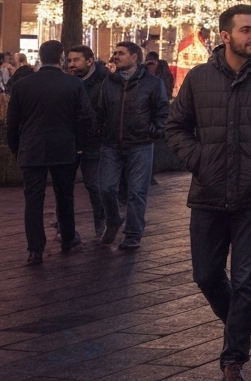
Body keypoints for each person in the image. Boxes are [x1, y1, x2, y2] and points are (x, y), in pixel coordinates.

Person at [165, 4, 251, 381]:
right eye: (246, 30)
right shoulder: (198, 78)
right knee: (206, 275)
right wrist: (197, 159)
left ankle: (233, 359)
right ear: (225, 36)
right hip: (208, 192)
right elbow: (175, 126)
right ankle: (239, 325)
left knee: (246, 279)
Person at [6, 40, 91, 264]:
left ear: (40, 57)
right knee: (64, 195)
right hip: (64, 146)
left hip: (32, 147)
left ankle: (35, 248)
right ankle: (68, 236)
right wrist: (79, 145)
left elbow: (12, 123)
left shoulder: (22, 85)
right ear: (61, 57)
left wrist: (16, 147)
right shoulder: (73, 84)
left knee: (33, 199)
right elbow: (85, 117)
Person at [96, 41, 169, 250]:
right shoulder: (109, 82)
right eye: (115, 52)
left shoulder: (153, 83)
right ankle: (113, 219)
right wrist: (101, 130)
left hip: (140, 143)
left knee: (137, 191)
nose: (115, 56)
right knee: (106, 187)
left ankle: (133, 233)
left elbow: (162, 112)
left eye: (121, 53)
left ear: (135, 57)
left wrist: (153, 131)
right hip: (111, 144)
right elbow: (101, 111)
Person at [66, 45, 110, 238]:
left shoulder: (104, 82)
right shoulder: (68, 82)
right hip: (70, 140)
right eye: (69, 61)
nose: (71, 65)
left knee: (94, 185)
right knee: (65, 185)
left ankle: (101, 223)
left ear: (89, 61)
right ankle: (64, 225)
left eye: (76, 60)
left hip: (93, 141)